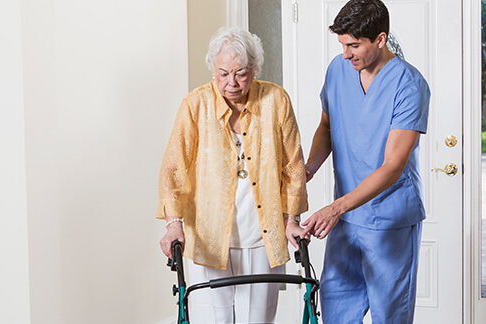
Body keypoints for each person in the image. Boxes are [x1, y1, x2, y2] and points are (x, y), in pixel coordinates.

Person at [157, 27, 308, 323]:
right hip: (208, 237)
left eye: (241, 73)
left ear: (254, 70)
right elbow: (173, 168)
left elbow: (293, 165)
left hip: (262, 239)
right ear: (213, 69)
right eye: (223, 73)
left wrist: (292, 220)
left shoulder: (276, 101)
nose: (232, 83)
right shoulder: (195, 105)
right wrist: (173, 224)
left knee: (258, 320)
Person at [301, 1, 430, 323]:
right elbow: (328, 127)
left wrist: (334, 209)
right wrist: (307, 170)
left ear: (381, 39)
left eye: (354, 45)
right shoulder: (338, 69)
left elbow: (393, 165)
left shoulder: (409, 85)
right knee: (337, 310)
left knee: (389, 315)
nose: (346, 54)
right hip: (345, 219)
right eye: (343, 44)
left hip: (388, 219)